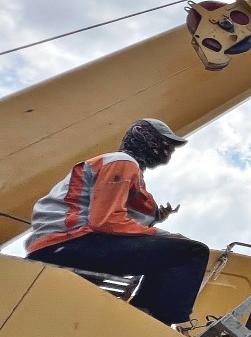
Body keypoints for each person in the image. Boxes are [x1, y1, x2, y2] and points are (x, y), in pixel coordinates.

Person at [25, 118, 210, 325]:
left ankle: (146, 312)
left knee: (169, 252)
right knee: (192, 252)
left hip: (66, 244)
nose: (168, 152)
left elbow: (122, 211)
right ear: (147, 140)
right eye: (165, 145)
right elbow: (104, 221)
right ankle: (160, 320)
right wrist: (163, 236)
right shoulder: (122, 163)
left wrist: (158, 217)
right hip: (70, 243)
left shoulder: (124, 168)